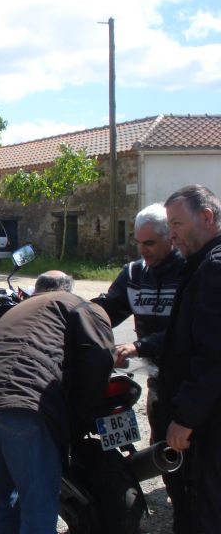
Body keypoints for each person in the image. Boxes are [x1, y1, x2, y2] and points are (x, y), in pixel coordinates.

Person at [0, 271, 115, 533]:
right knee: (39, 508)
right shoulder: (79, 305)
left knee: (4, 503)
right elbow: (99, 358)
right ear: (69, 289)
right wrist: (79, 414)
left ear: (37, 289)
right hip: (20, 407)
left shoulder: (17, 309)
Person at [91, 202, 189, 530]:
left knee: (198, 454)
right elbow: (108, 309)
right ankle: (181, 512)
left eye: (150, 243)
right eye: (138, 243)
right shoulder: (134, 273)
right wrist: (77, 317)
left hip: (192, 376)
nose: (142, 250)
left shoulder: (190, 272)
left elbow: (183, 330)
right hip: (158, 378)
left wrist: (137, 346)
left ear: (170, 239)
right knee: (163, 448)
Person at [160, 184, 221, 533]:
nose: (172, 235)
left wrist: (185, 417)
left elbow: (214, 354)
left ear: (207, 218)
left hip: (211, 424)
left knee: (207, 514)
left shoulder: (215, 268)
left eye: (177, 224)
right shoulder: (201, 266)